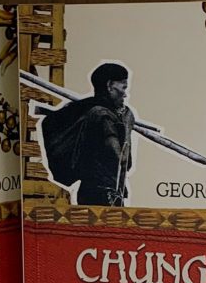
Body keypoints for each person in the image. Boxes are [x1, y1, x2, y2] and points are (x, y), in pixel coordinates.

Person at [39, 61, 135, 206]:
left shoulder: (90, 111)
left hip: (92, 193)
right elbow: (123, 161)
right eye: (123, 87)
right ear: (109, 86)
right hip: (104, 196)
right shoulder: (103, 117)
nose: (125, 94)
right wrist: (127, 124)